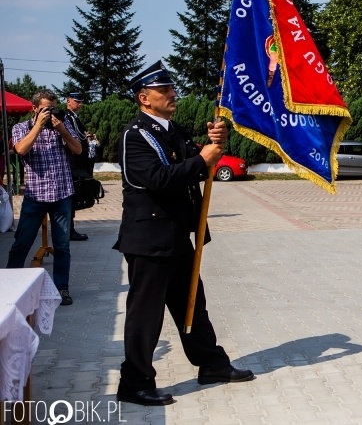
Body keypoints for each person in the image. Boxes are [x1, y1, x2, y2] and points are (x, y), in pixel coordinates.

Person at [115, 61, 254, 407]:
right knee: (146, 314)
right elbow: (158, 179)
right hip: (149, 240)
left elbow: (195, 162)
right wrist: (202, 159)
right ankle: (134, 382)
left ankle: (211, 364)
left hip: (176, 236)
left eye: (171, 88)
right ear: (144, 98)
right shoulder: (135, 136)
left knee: (193, 304)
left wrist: (213, 144)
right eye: (163, 90)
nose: (172, 94)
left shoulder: (171, 129)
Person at [6, 89, 82, 306]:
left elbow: (77, 150)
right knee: (22, 242)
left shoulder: (62, 125)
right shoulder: (22, 127)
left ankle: (61, 288)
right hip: (35, 196)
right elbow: (20, 150)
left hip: (61, 195)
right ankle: (10, 284)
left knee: (62, 245)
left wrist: (62, 130)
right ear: (35, 109)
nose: (50, 113)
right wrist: (39, 126)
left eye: (53, 108)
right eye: (45, 109)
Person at [63, 92, 91, 241]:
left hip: (79, 161)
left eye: (81, 102)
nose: (79, 104)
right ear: (68, 101)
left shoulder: (73, 117)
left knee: (75, 197)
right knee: (71, 197)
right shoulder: (67, 118)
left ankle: (70, 229)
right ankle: (69, 230)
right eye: (77, 101)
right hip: (73, 162)